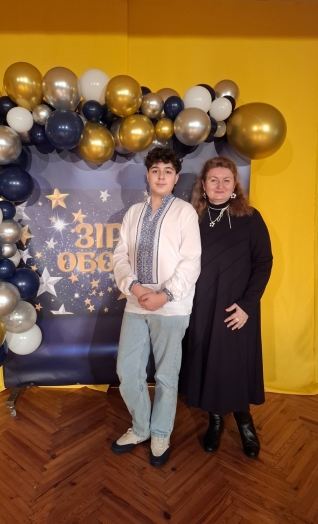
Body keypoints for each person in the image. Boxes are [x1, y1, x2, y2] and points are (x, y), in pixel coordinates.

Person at [112, 147, 201, 467]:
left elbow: (191, 261)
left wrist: (165, 295)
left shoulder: (185, 213)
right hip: (136, 303)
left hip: (171, 307)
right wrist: (135, 288)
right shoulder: (133, 213)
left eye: (168, 171)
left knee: (166, 375)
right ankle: (141, 428)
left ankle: (161, 432)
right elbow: (120, 256)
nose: (161, 176)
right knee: (127, 371)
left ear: (176, 178)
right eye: (155, 170)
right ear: (147, 176)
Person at [180, 156, 272, 458]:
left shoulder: (250, 218)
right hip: (201, 308)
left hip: (237, 309)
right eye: (213, 180)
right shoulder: (192, 219)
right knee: (208, 364)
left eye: (226, 180)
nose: (219, 185)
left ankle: (245, 423)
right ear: (204, 185)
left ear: (234, 186)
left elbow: (263, 263)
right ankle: (215, 421)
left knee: (235, 365)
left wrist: (247, 305)